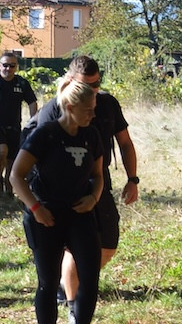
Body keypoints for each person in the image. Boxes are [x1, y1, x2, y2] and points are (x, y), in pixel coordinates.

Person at [28, 56, 139, 306]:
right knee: (74, 249)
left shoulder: (108, 104)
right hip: (64, 187)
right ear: (69, 81)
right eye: (85, 85)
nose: (92, 91)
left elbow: (125, 143)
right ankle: (72, 304)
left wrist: (133, 179)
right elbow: (33, 158)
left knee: (108, 245)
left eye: (96, 84)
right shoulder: (53, 110)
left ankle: (72, 281)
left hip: (98, 181)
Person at [13, 79, 107, 324]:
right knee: (48, 282)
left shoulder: (91, 135)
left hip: (80, 213)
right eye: (87, 110)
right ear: (69, 106)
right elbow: (17, 176)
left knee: (90, 277)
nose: (92, 115)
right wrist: (36, 208)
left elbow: (98, 175)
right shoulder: (45, 134)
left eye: (93, 110)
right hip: (47, 216)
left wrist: (93, 197)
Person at [0, 51, 39, 197]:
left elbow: (32, 103)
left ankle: (8, 186)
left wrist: (33, 123)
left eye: (12, 66)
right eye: (5, 65)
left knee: (11, 159)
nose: (8, 69)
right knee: (2, 151)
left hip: (14, 127)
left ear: (16, 67)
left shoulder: (21, 83)